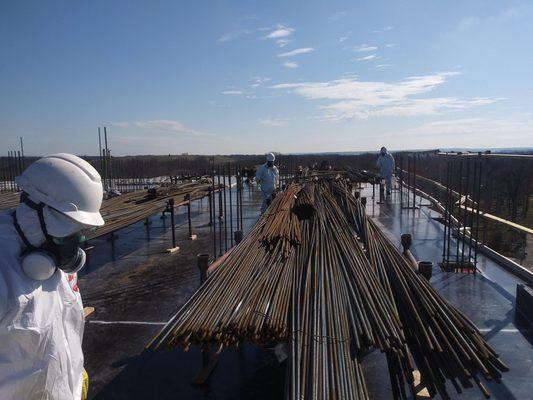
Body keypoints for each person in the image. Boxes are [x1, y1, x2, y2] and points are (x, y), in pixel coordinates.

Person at [0, 153, 105, 400]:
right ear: (35, 210)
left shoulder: (53, 255)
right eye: (70, 227)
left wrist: (74, 375)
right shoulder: (4, 270)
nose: (78, 240)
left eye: (83, 229)